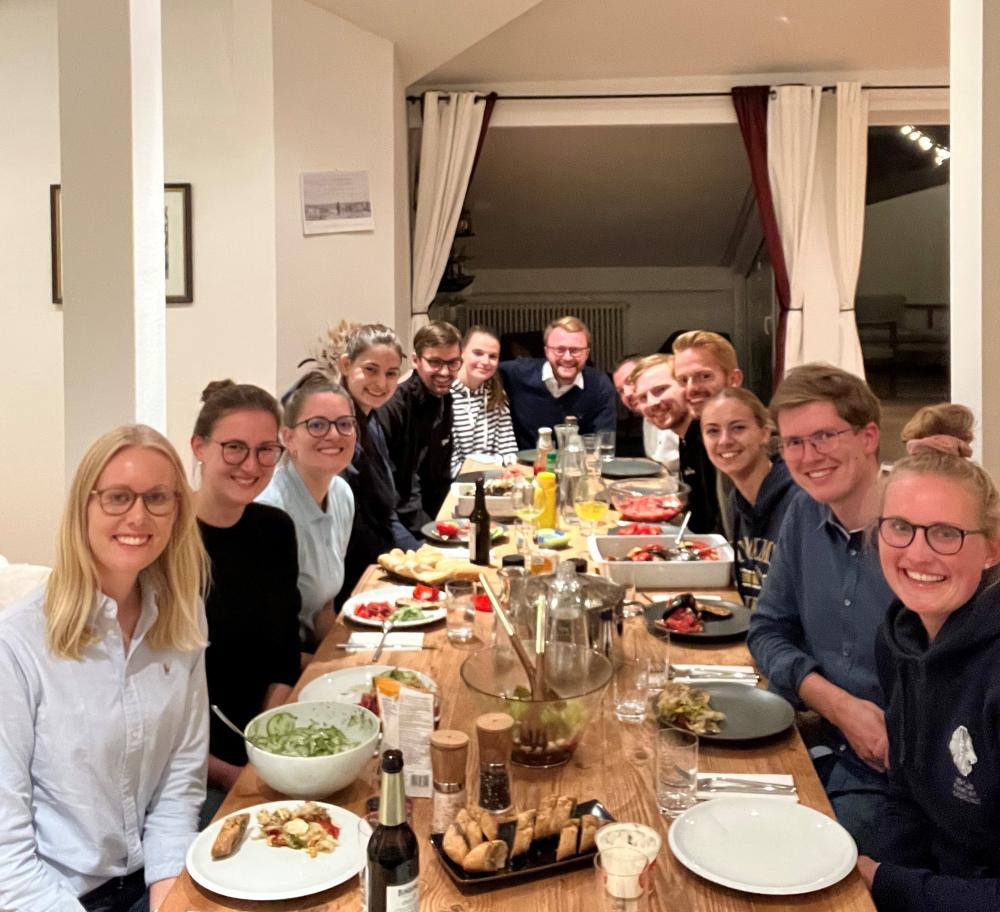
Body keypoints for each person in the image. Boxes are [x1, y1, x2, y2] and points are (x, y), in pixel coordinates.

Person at [0, 425, 208, 912]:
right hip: (52, 897)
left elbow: (180, 780)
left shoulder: (183, 615)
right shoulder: (17, 645)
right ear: (84, 507)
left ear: (177, 509)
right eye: (117, 497)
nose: (138, 515)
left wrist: (167, 897)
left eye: (157, 497)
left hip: (153, 875)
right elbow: (6, 857)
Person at [857, 405, 1000, 911]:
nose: (917, 554)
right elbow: (908, 798)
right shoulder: (900, 639)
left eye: (946, 533)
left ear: (992, 549)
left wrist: (887, 884)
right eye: (900, 526)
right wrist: (868, 876)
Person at [747, 363, 893, 855]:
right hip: (813, 734)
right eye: (794, 442)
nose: (809, 457)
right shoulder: (805, 512)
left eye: (824, 436)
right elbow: (767, 630)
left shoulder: (916, 534)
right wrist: (835, 703)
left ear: (868, 436)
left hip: (893, 772)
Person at [191, 381, 301, 820]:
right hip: (195, 774)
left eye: (265, 450)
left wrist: (264, 744)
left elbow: (284, 657)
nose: (251, 465)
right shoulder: (165, 545)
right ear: (199, 447)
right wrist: (231, 775)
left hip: (266, 749)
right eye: (234, 447)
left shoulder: (275, 530)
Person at [257, 372, 355, 644]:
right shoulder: (270, 512)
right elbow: (263, 640)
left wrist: (342, 654)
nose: (334, 434)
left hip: (314, 651)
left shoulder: (342, 493)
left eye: (344, 424)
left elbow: (324, 606)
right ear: (288, 438)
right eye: (317, 425)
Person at [335, 324, 419, 600]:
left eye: (391, 373)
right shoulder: (338, 428)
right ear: (346, 365)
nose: (381, 383)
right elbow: (353, 526)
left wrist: (419, 557)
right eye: (370, 370)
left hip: (377, 559)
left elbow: (386, 514)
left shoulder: (371, 422)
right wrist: (407, 568)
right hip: (350, 576)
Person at [700, 387, 804, 609]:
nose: (724, 440)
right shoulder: (735, 501)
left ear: (764, 433)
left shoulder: (800, 502)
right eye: (712, 431)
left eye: (738, 428)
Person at [378, 322, 461, 535]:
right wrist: (430, 532)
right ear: (416, 361)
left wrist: (448, 521)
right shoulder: (395, 405)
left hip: (427, 514)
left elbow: (439, 476)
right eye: (435, 362)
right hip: (394, 522)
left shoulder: (444, 398)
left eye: (453, 363)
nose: (445, 372)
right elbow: (401, 488)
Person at [500, 316, 617, 450]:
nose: (567, 358)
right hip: (524, 462)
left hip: (578, 462)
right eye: (560, 350)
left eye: (575, 350)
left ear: (586, 353)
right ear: (547, 351)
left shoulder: (599, 384)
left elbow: (604, 445)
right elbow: (484, 370)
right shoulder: (517, 373)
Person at [671, 331, 743, 533]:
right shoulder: (695, 433)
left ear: (734, 379)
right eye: (683, 380)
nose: (691, 389)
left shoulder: (755, 440)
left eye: (704, 376)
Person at [449, 325, 518, 475]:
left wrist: (509, 469)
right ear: (461, 352)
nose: (486, 361)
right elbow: (449, 465)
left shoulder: (497, 393)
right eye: (478, 353)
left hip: (496, 479)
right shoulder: (446, 396)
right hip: (458, 483)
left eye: (493, 356)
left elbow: (508, 449)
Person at [631, 353, 687, 475]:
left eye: (661, 389)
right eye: (643, 397)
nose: (652, 403)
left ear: (685, 386)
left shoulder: (711, 437)